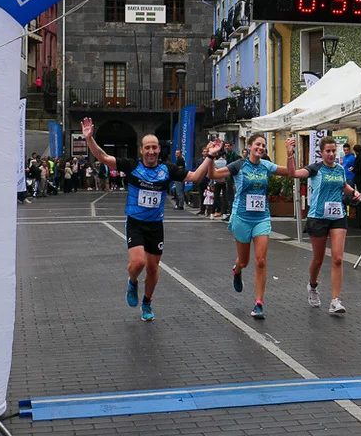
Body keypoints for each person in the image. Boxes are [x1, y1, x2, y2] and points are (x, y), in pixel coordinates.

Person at [81, 117, 219, 321]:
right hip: (135, 223)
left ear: (159, 150)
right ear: (141, 150)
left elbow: (195, 177)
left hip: (155, 226)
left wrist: (210, 156)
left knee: (153, 269)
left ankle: (147, 301)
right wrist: (89, 139)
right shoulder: (132, 166)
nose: (151, 151)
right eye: (147, 148)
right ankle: (132, 282)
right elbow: (103, 158)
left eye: (154, 147)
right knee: (138, 263)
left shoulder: (167, 170)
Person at [210, 133, 296, 319]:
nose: (261, 148)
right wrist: (211, 157)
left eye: (263, 145)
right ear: (249, 147)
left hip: (261, 218)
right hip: (242, 218)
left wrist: (290, 154)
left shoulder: (266, 165)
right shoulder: (239, 165)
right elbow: (213, 175)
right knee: (244, 261)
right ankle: (237, 270)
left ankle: (258, 304)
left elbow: (291, 173)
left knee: (261, 260)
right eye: (258, 144)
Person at [286, 135, 361, 314]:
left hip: (337, 216)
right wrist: (290, 154)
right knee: (318, 259)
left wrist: (354, 192)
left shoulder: (340, 169)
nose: (331, 154)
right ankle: (312, 285)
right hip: (318, 217)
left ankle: (335, 300)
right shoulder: (315, 169)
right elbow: (293, 174)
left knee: (338, 258)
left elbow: (343, 186)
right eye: (328, 151)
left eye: (334, 151)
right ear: (321, 152)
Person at [352, 144, 361, 229]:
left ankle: (360, 219)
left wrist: (354, 169)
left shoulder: (360, 158)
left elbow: (360, 169)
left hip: (360, 179)